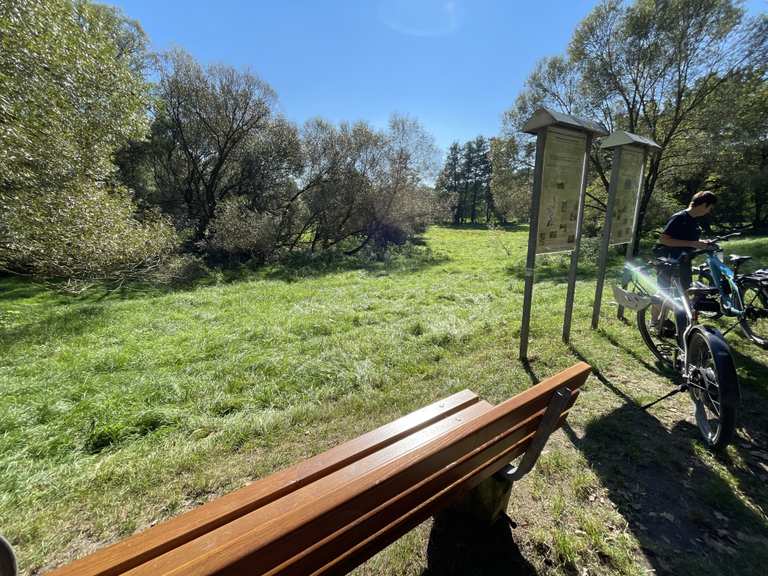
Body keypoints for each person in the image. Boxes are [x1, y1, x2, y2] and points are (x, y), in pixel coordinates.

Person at [654, 190, 717, 290]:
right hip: (669, 261)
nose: (709, 211)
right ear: (704, 205)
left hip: (684, 261)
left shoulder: (694, 220)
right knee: (663, 294)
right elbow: (664, 240)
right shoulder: (679, 217)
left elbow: (685, 239)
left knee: (686, 290)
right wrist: (692, 243)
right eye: (710, 208)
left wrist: (701, 243)